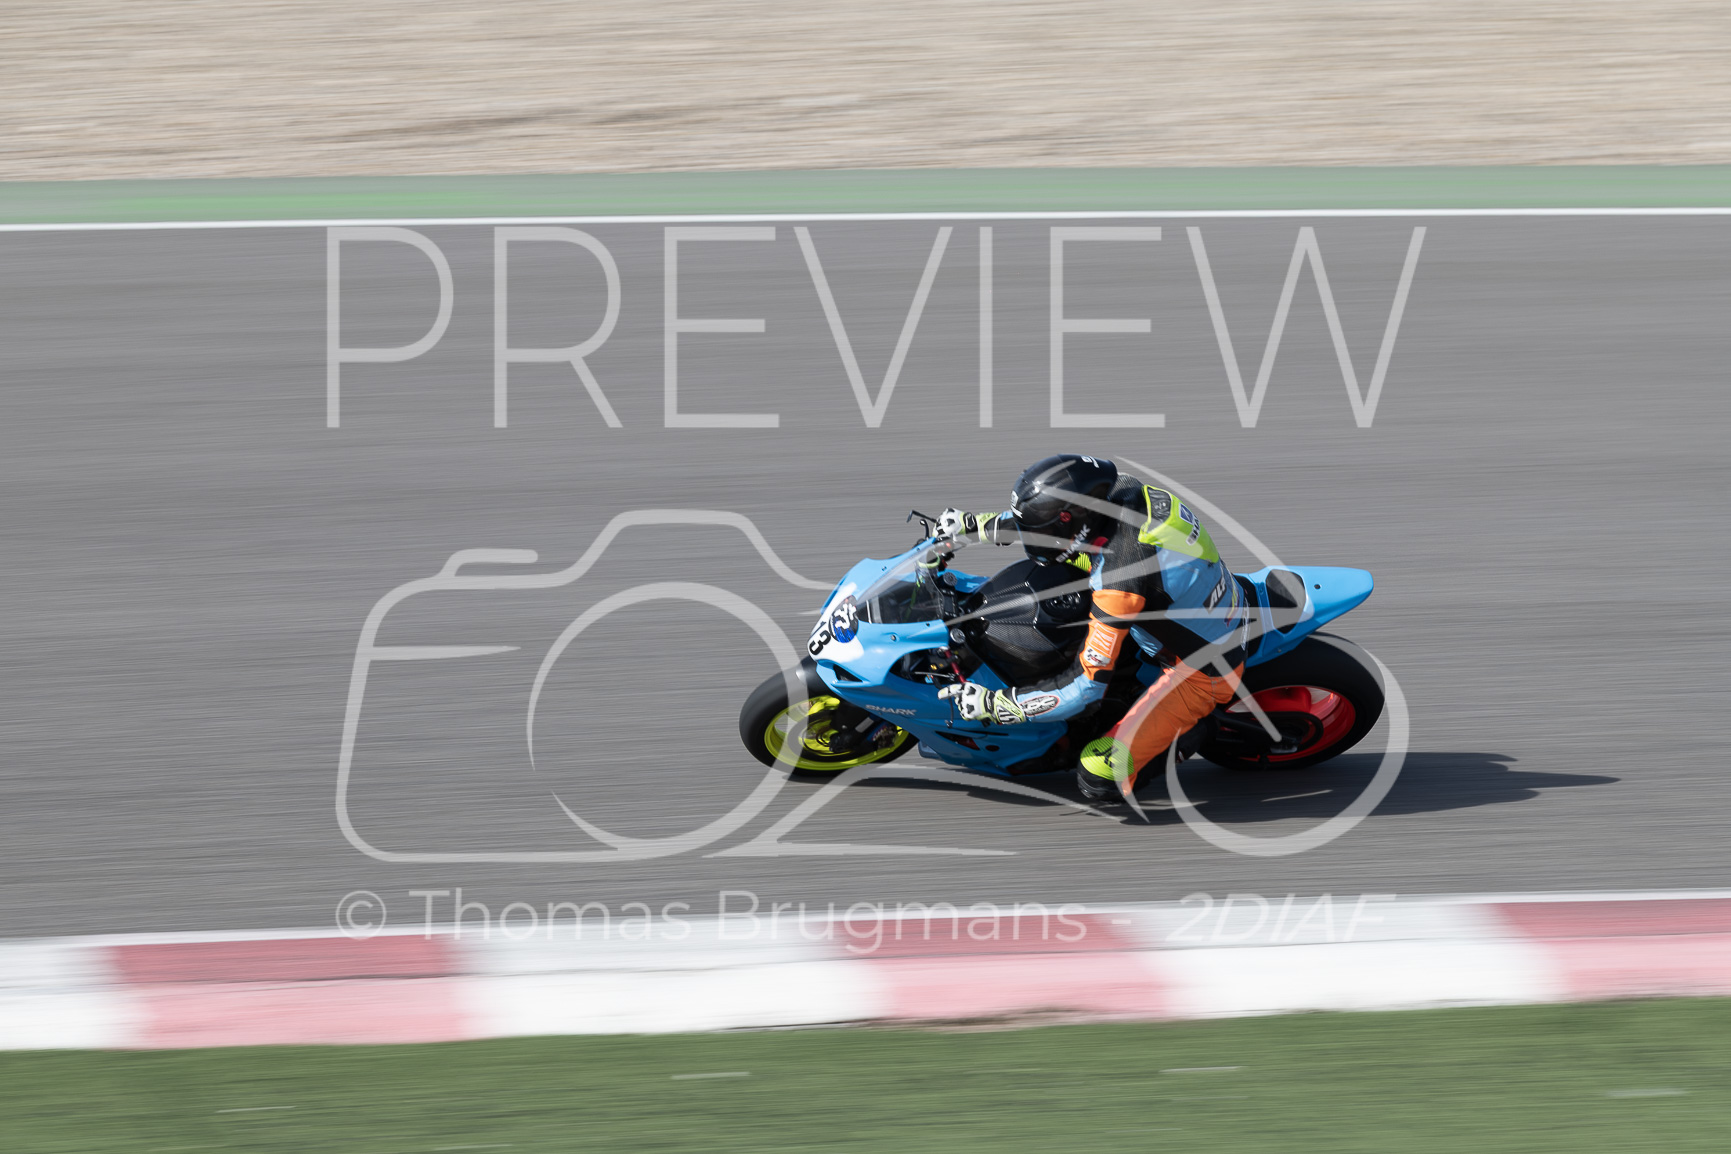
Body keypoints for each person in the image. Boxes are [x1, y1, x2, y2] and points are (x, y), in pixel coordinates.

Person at [935, 454, 1248, 805]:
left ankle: (1198, 727)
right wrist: (975, 526)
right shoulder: (1120, 489)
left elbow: (1085, 688)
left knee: (1097, 773)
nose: (1037, 539)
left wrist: (1000, 705)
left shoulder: (1120, 580)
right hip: (1181, 599)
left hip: (1199, 671)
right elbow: (1051, 524)